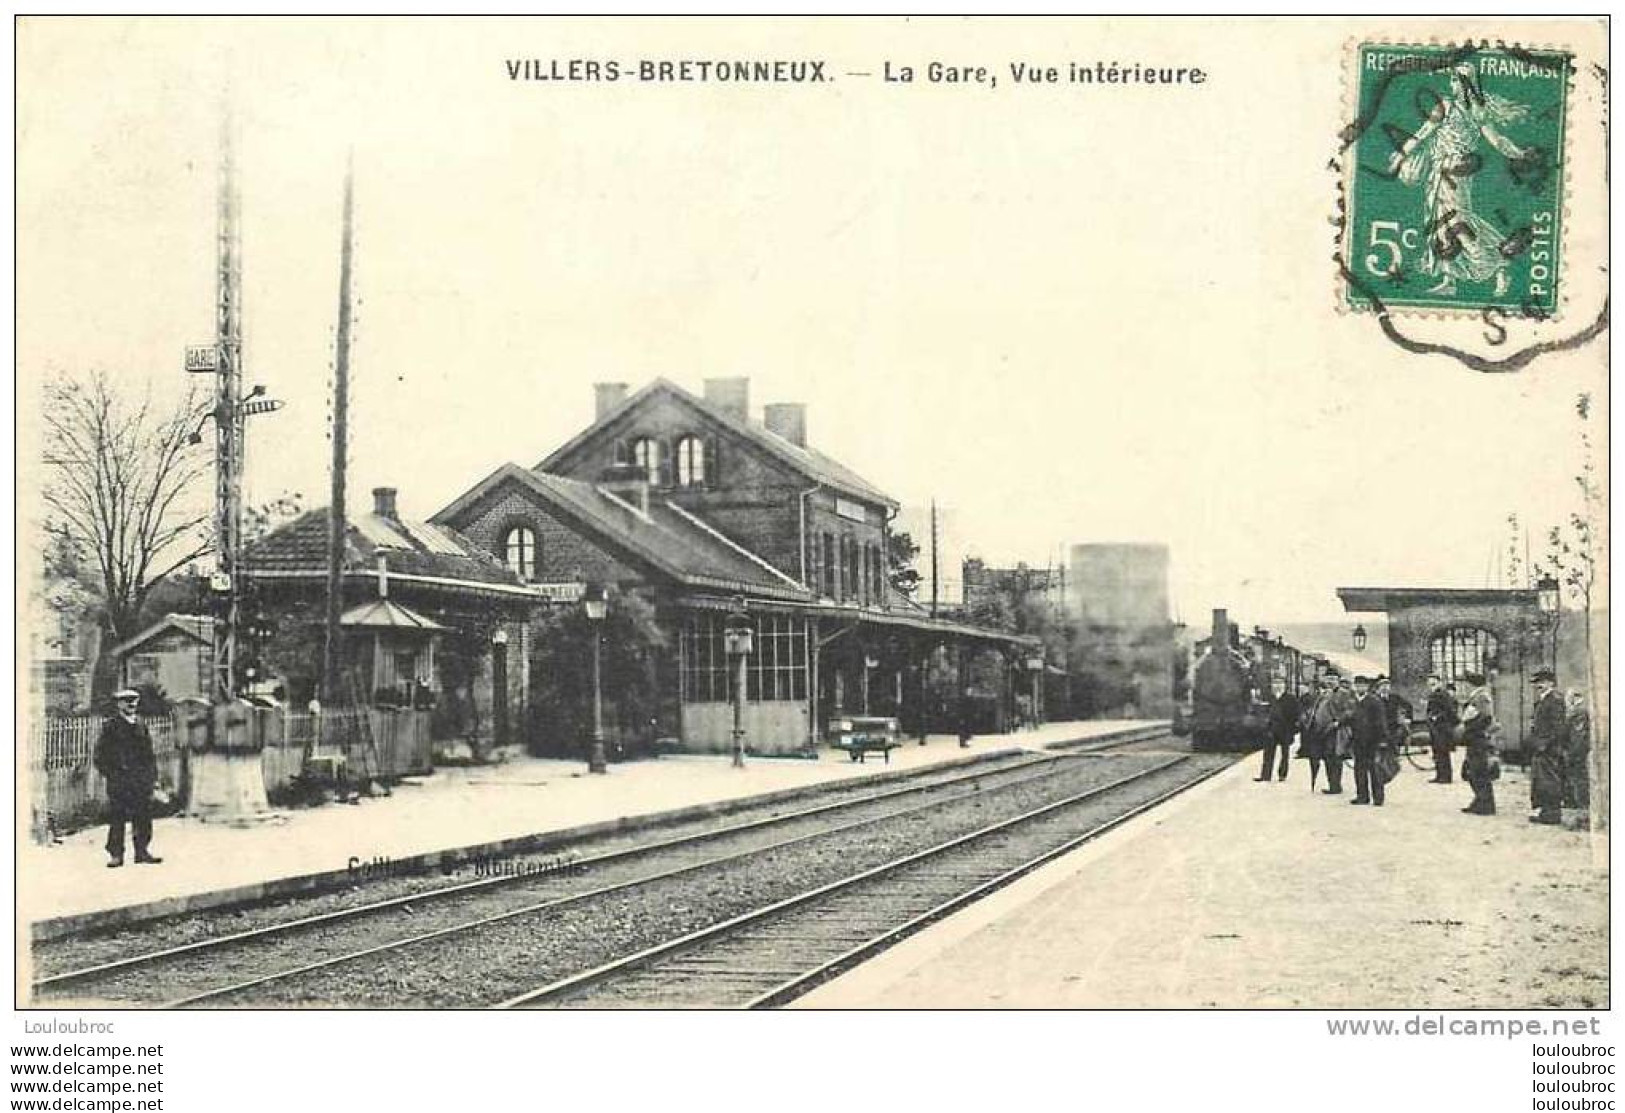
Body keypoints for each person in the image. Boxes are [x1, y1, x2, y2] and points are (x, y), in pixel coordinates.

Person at [93, 688, 163, 867]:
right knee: (118, 817)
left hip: (140, 780)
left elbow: (149, 754)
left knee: (143, 816)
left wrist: (152, 777)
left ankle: (142, 851)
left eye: (134, 700)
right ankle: (116, 854)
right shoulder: (111, 726)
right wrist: (112, 774)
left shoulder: (141, 724)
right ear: (118, 704)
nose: (131, 704)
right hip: (120, 780)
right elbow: (100, 755)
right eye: (126, 701)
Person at [1527, 668, 1567, 826]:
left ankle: (1552, 814)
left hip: (1548, 748)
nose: (1538, 685)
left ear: (1551, 682)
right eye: (1536, 683)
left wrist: (1545, 744)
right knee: (1542, 780)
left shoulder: (1554, 700)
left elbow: (1558, 727)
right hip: (1542, 746)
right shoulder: (1544, 699)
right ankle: (1546, 811)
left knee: (1549, 780)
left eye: (1541, 682)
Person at [1459, 672, 1497, 816]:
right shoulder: (1477, 696)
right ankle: (1479, 801)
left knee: (1479, 772)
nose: (1464, 686)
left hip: (1478, 740)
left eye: (1465, 683)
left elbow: (1486, 717)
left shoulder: (1481, 697)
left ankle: (1486, 805)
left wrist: (1471, 727)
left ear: (1470, 684)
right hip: (1474, 739)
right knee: (1474, 771)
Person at [1350, 676, 1388, 806]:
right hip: (1357, 740)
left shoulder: (1374, 701)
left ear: (1367, 687)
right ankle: (1362, 796)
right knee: (1359, 769)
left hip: (1372, 741)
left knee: (1374, 769)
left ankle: (1378, 797)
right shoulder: (1354, 701)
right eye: (1357, 685)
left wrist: (1382, 740)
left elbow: (1381, 722)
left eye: (1362, 685)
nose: (1360, 687)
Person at [1256, 676, 1299, 783]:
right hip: (1271, 730)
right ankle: (1265, 775)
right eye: (1275, 683)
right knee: (1268, 753)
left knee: (1285, 754)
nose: (1277, 685)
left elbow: (1295, 715)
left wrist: (1292, 730)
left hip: (1285, 729)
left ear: (1285, 685)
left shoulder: (1290, 698)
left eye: (1280, 683)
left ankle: (1282, 774)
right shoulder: (1268, 697)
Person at [1424, 673, 1458, 784]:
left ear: (1439, 683)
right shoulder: (1434, 694)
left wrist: (1437, 717)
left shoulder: (1443, 694)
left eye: (1433, 683)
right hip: (1435, 728)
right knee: (1437, 751)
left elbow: (1449, 710)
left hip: (1443, 727)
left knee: (1443, 751)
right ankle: (1439, 775)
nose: (1431, 686)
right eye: (1429, 684)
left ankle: (1446, 777)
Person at [1564, 689, 1592, 809]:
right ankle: (1574, 801)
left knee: (1578, 776)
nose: (1567, 700)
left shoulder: (1579, 711)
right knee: (1574, 776)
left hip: (1577, 750)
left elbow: (1578, 734)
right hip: (1574, 748)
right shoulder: (1577, 710)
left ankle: (1581, 802)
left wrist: (1572, 752)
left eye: (1568, 697)